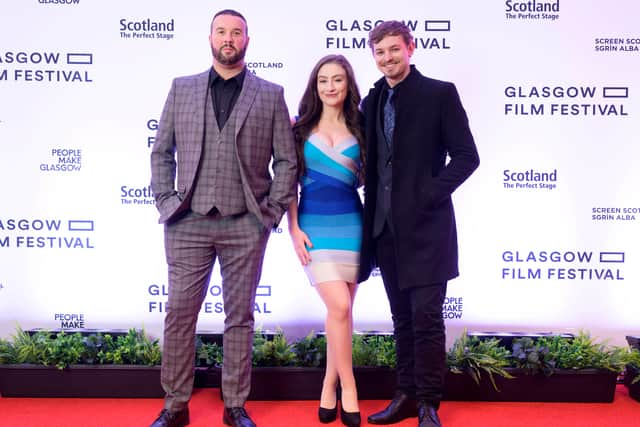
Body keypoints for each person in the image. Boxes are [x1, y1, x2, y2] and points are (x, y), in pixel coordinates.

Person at [149, 9, 297, 427]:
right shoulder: (182, 89)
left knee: (240, 317)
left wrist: (268, 213)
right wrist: (166, 201)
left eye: (236, 32)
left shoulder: (270, 94)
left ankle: (235, 404)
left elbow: (287, 160)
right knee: (179, 313)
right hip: (187, 221)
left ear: (247, 40)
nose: (228, 38)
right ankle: (175, 405)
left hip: (245, 224)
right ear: (210, 37)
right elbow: (161, 151)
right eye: (221, 31)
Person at [358, 21, 479, 427]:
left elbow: (467, 156)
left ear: (411, 47)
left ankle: (429, 403)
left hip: (427, 231)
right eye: (380, 52)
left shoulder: (439, 93)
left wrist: (428, 193)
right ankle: (405, 395)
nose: (388, 58)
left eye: (394, 49)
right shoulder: (372, 101)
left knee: (427, 319)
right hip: (384, 230)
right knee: (402, 320)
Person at [287, 54, 365, 427]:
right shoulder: (298, 129)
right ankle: (349, 388)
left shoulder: (362, 127)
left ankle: (327, 384)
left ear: (348, 84)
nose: (330, 86)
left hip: (352, 226)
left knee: (343, 312)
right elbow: (288, 184)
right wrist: (293, 228)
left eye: (337, 80)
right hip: (314, 226)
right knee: (339, 307)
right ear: (314, 86)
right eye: (323, 80)